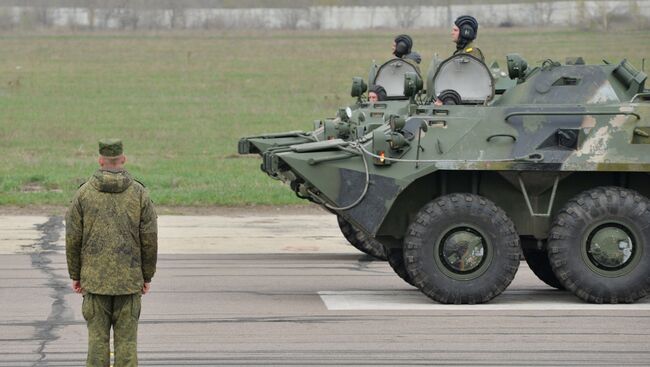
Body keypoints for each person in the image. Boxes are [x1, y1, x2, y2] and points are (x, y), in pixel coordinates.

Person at [66, 139, 158, 366]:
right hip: (129, 283)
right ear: (123, 159)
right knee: (127, 346)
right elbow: (149, 240)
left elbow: (72, 239)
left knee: (97, 346)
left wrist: (75, 275)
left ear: (100, 160)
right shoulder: (139, 194)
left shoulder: (84, 194)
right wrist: (147, 276)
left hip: (95, 283)